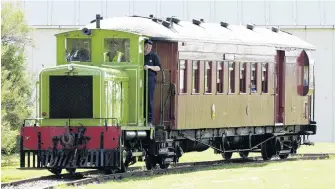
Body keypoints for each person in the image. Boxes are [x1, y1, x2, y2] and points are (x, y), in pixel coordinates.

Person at [143, 39, 161, 127]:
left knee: (149, 100)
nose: (148, 48)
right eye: (146, 46)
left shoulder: (154, 56)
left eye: (150, 47)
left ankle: (149, 120)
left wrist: (149, 67)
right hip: (140, 80)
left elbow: (158, 68)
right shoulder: (139, 56)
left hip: (150, 80)